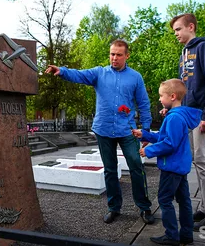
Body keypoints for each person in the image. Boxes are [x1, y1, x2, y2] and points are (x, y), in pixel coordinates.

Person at [45, 39, 154, 224]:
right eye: (112, 54)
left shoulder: (135, 77)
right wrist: (61, 71)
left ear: (127, 56)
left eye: (119, 55)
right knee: (110, 170)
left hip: (127, 131)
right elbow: (78, 75)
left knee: (136, 166)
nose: (114, 58)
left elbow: (144, 104)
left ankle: (144, 207)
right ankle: (114, 208)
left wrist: (147, 131)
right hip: (103, 129)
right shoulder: (99, 73)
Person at [170, 13, 205, 231]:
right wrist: (174, 108)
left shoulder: (203, 48)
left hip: (202, 115)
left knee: (204, 161)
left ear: (190, 27)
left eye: (178, 29)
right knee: (198, 162)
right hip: (189, 114)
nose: (176, 34)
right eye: (174, 30)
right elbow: (184, 88)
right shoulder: (184, 53)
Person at [133, 79, 202, 246]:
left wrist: (148, 150)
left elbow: (170, 144)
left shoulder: (174, 118)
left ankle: (172, 235)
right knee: (184, 200)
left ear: (172, 96)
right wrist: (145, 135)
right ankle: (186, 234)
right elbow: (166, 138)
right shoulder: (178, 115)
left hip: (171, 167)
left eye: (161, 96)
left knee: (164, 199)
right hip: (179, 167)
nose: (159, 99)